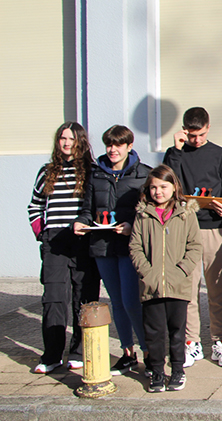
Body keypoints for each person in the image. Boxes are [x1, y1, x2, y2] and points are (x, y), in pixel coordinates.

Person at [74, 125, 152, 376]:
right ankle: (128, 353)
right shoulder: (96, 174)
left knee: (131, 302)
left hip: (130, 247)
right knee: (116, 302)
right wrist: (81, 222)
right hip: (102, 245)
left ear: (129, 146)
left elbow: (150, 212)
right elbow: (88, 209)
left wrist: (131, 226)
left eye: (118, 145)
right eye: (109, 145)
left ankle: (149, 353)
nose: (112, 150)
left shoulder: (144, 174)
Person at [163, 107, 222, 368]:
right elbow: (168, 183)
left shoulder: (220, 154)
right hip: (185, 229)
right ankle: (191, 343)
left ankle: (219, 343)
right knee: (188, 290)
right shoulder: (176, 154)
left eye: (201, 135)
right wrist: (176, 150)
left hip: (215, 228)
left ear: (208, 127)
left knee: (216, 290)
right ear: (184, 131)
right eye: (192, 135)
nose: (196, 140)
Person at [27, 122, 100, 374]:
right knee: (54, 298)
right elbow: (34, 205)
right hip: (54, 242)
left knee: (84, 298)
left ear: (81, 141)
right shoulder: (46, 171)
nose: (67, 143)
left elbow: (97, 205)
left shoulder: (91, 171)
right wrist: (42, 233)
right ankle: (52, 355)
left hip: (82, 240)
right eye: (62, 138)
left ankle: (79, 352)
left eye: (71, 138)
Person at [129, 165, 202, 392]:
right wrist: (147, 272)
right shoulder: (143, 214)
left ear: (174, 187)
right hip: (151, 286)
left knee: (177, 331)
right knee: (154, 332)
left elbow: (195, 246)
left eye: (163, 186)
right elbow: (135, 246)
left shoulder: (185, 214)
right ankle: (157, 372)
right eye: (153, 187)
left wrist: (181, 271)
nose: (158, 192)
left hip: (178, 285)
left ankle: (178, 370)